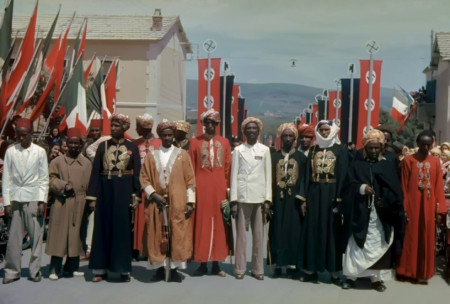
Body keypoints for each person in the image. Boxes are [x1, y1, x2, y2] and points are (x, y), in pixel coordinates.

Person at [341, 129, 404, 292]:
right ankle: (351, 277)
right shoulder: (356, 166)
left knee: (379, 243)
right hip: (361, 213)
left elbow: (396, 191)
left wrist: (386, 199)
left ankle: (377, 279)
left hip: (381, 215)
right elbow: (347, 188)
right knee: (356, 244)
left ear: (382, 147)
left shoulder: (387, 166)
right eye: (371, 148)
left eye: (377, 148)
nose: (374, 151)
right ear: (365, 148)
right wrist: (361, 188)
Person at [86, 114, 141, 283]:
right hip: (104, 189)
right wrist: (92, 197)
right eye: (112, 125)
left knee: (122, 229)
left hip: (123, 190)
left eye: (117, 125)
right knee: (102, 227)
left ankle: (123, 269)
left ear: (124, 128)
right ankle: (100, 269)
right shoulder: (102, 146)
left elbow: (137, 173)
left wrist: (136, 194)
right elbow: (95, 172)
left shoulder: (133, 147)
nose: (114, 128)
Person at [140, 121, 195, 283]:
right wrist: (154, 195)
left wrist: (190, 202)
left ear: (173, 136)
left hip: (178, 202)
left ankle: (175, 268)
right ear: (160, 136)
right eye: (164, 135)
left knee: (177, 234)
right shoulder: (152, 156)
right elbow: (144, 179)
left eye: (170, 135)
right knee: (157, 234)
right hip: (156, 203)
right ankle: (158, 269)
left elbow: (190, 179)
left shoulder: (182, 155)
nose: (168, 138)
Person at [300, 120, 348, 284]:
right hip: (314, 193)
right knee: (313, 229)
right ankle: (311, 268)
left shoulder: (340, 150)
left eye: (327, 130)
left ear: (333, 130)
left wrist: (339, 198)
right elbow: (306, 175)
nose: (325, 133)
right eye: (321, 130)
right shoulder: (313, 150)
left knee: (331, 231)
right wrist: (304, 198)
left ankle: (334, 271)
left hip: (332, 193)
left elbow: (343, 174)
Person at [396, 130, 446, 284]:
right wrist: (404, 208)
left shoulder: (436, 162)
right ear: (417, 143)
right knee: (411, 237)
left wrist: (440, 210)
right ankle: (408, 271)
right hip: (412, 205)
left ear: (431, 145)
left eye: (428, 144)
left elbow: (438, 186)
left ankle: (424, 272)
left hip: (430, 205)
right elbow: (403, 186)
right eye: (422, 144)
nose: (425, 147)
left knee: (427, 237)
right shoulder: (408, 161)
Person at [2, 118, 49, 284]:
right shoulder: (11, 151)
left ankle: (34, 271)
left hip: (33, 197)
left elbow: (44, 178)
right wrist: (7, 202)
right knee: (14, 237)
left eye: (23, 135)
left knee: (36, 236)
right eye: (17, 135)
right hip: (15, 198)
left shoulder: (40, 152)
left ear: (31, 134)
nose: (20, 139)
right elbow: (6, 177)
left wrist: (42, 200)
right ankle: (12, 271)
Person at [45, 128, 92, 280]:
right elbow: (50, 179)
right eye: (70, 143)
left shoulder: (86, 163)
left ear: (80, 144)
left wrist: (91, 202)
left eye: (76, 143)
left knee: (77, 235)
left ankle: (71, 268)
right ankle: (54, 269)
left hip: (80, 201)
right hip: (62, 201)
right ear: (66, 143)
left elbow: (91, 184)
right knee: (59, 235)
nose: (73, 146)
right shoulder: (57, 161)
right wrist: (63, 185)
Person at [189, 110, 232, 277]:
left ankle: (216, 263)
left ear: (217, 124)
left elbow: (227, 167)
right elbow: (191, 167)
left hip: (220, 186)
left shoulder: (225, 142)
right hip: (202, 186)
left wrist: (228, 191)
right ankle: (202, 262)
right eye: (207, 122)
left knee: (220, 224)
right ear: (203, 124)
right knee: (202, 223)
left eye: (213, 123)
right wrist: (191, 191)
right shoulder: (195, 143)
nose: (209, 125)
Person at [230, 117, 272, 280]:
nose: (252, 131)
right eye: (249, 129)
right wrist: (234, 199)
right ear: (244, 132)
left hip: (259, 197)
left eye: (255, 128)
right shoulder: (238, 150)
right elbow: (234, 175)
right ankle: (240, 268)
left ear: (259, 131)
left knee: (258, 236)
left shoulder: (265, 150)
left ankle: (257, 269)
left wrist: (268, 199)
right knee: (241, 236)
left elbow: (268, 176)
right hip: (243, 196)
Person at [269, 123, 306, 278]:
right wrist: (268, 201)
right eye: (285, 136)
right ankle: (277, 264)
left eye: (291, 136)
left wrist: (303, 199)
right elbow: (269, 179)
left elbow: (305, 180)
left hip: (294, 201)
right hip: (278, 199)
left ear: (295, 138)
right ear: (281, 137)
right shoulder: (274, 157)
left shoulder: (301, 158)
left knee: (293, 232)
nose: (288, 139)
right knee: (277, 230)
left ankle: (292, 264)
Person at [132, 113, 161, 258]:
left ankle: (153, 248)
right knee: (140, 218)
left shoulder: (159, 143)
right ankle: (140, 248)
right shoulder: (135, 144)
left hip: (156, 186)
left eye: (138, 127)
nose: (136, 129)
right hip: (140, 186)